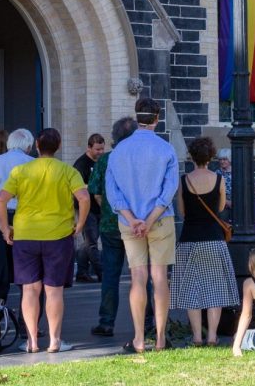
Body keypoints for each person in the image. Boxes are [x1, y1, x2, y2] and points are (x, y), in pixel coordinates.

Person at [0, 128, 90, 354]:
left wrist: (4, 227)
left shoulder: (21, 170)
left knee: (29, 289)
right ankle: (54, 341)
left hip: (26, 234)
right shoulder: (67, 170)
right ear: (58, 147)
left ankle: (32, 341)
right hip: (57, 235)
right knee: (54, 290)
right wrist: (81, 223)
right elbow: (84, 197)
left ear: (37, 145)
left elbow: (0, 199)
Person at [105, 98, 179, 353]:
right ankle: (160, 338)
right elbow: (169, 190)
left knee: (138, 277)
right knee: (159, 277)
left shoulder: (118, 151)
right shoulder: (166, 149)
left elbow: (112, 192)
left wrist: (132, 217)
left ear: (137, 117)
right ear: (157, 119)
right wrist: (148, 220)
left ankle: (138, 338)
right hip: (159, 219)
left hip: (129, 221)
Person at [170, 137, 239, 346]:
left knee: (192, 290)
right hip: (213, 239)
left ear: (191, 156)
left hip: (189, 239)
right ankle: (212, 337)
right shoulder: (218, 180)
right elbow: (219, 209)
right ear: (211, 156)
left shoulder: (184, 181)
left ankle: (197, 337)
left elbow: (181, 212)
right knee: (215, 290)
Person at [89, 117, 154, 338]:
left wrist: (107, 206)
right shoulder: (142, 157)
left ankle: (106, 321)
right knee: (141, 273)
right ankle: (148, 321)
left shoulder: (106, 159)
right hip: (140, 222)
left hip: (111, 223)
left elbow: (95, 189)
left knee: (111, 275)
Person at [0, 128, 34, 307]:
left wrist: (2, 227)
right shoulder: (33, 164)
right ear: (29, 146)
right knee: (30, 277)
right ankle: (29, 325)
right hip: (26, 221)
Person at [73, 133, 105, 283]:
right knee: (92, 242)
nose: (100, 152)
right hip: (86, 208)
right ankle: (102, 273)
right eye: (97, 149)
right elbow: (76, 187)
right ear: (89, 147)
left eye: (102, 149)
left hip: (99, 208)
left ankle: (82, 272)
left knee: (88, 242)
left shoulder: (100, 162)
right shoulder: (81, 165)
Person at [216, 148, 232, 220]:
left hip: (235, 201)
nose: (222, 161)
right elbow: (215, 191)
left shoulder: (236, 171)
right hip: (222, 201)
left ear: (229, 159)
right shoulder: (216, 173)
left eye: (225, 159)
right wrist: (226, 201)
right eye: (220, 159)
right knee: (223, 224)